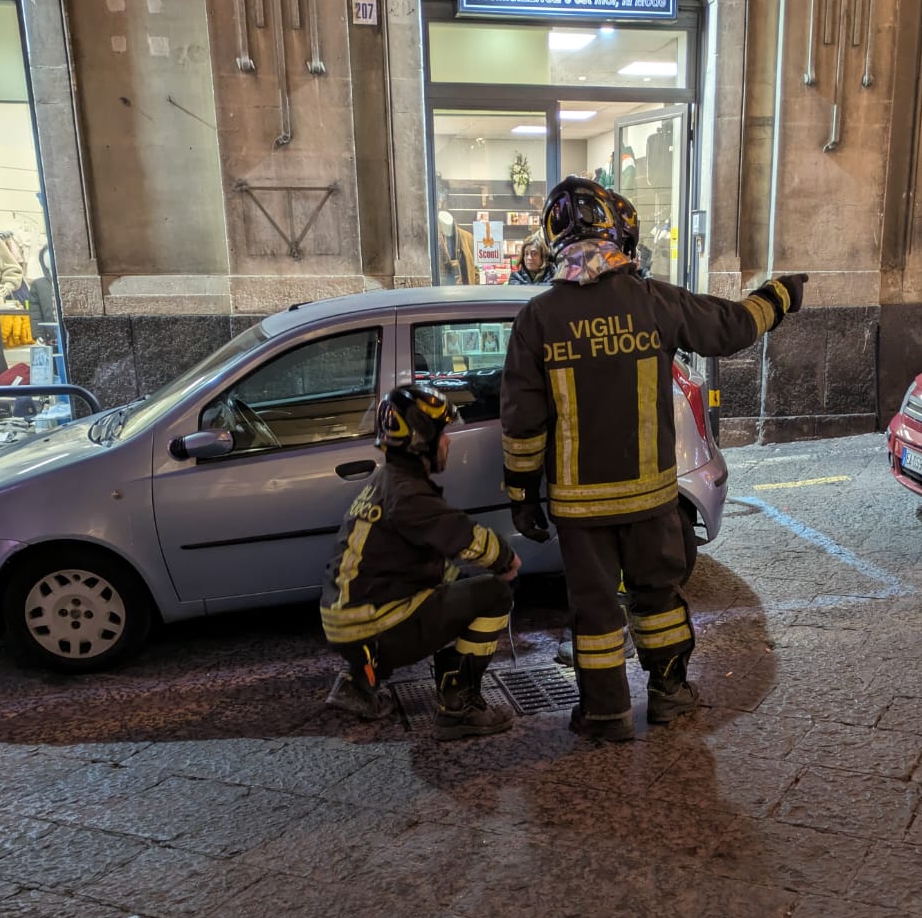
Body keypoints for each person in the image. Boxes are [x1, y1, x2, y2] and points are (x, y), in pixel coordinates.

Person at [501, 176, 807, 741]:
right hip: (651, 497)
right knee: (658, 598)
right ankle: (668, 695)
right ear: (619, 232)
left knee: (593, 613)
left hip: (579, 504)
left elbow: (522, 422)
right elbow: (730, 327)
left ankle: (605, 713)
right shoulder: (654, 301)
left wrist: (521, 495)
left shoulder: (537, 319)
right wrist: (779, 297)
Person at [321, 383, 521, 740]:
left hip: (350, 621)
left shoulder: (388, 481)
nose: (447, 442)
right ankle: (460, 707)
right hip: (375, 625)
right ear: (420, 439)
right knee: (494, 593)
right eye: (441, 434)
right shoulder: (410, 494)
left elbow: (423, 562)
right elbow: (464, 535)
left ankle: (359, 681)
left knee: (453, 584)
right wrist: (506, 559)